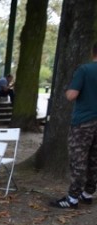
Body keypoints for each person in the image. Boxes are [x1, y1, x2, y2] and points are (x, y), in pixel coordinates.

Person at [51, 43, 97, 209]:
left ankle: (72, 198)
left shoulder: (84, 70)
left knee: (79, 159)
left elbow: (72, 95)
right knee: (94, 158)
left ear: (93, 51)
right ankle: (88, 193)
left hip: (83, 122)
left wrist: (67, 89)